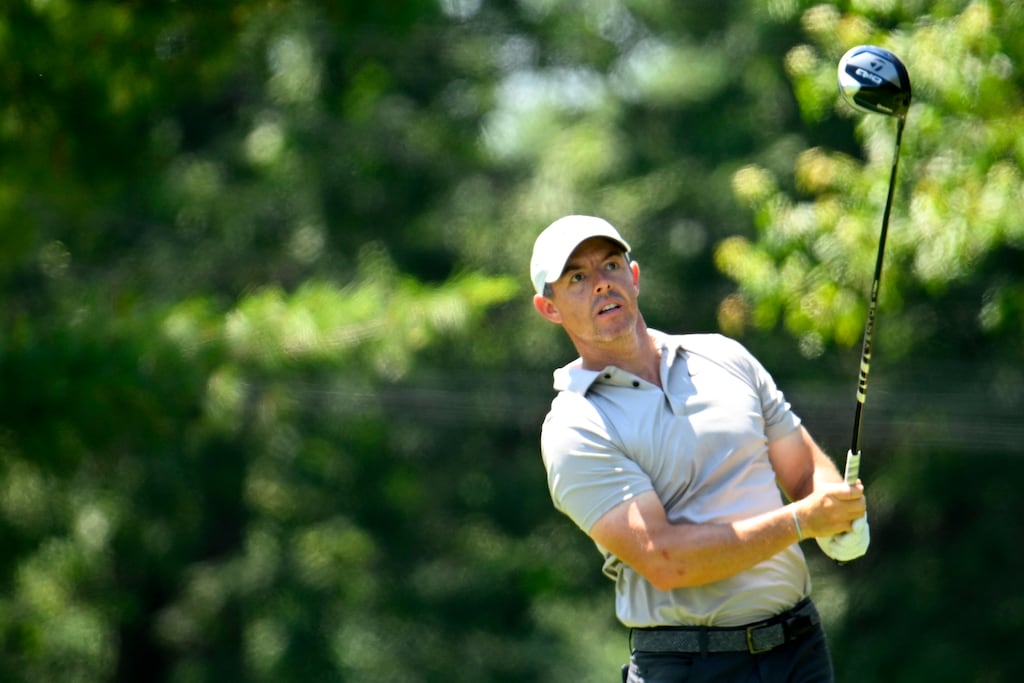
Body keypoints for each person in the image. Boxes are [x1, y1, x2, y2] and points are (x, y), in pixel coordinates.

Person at [529, 215, 870, 683]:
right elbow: (666, 560)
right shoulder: (575, 426)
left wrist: (839, 509)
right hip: (690, 666)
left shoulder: (723, 356)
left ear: (634, 276)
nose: (601, 285)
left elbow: (802, 466)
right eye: (577, 278)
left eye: (610, 265)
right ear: (549, 308)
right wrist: (804, 520)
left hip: (800, 651)